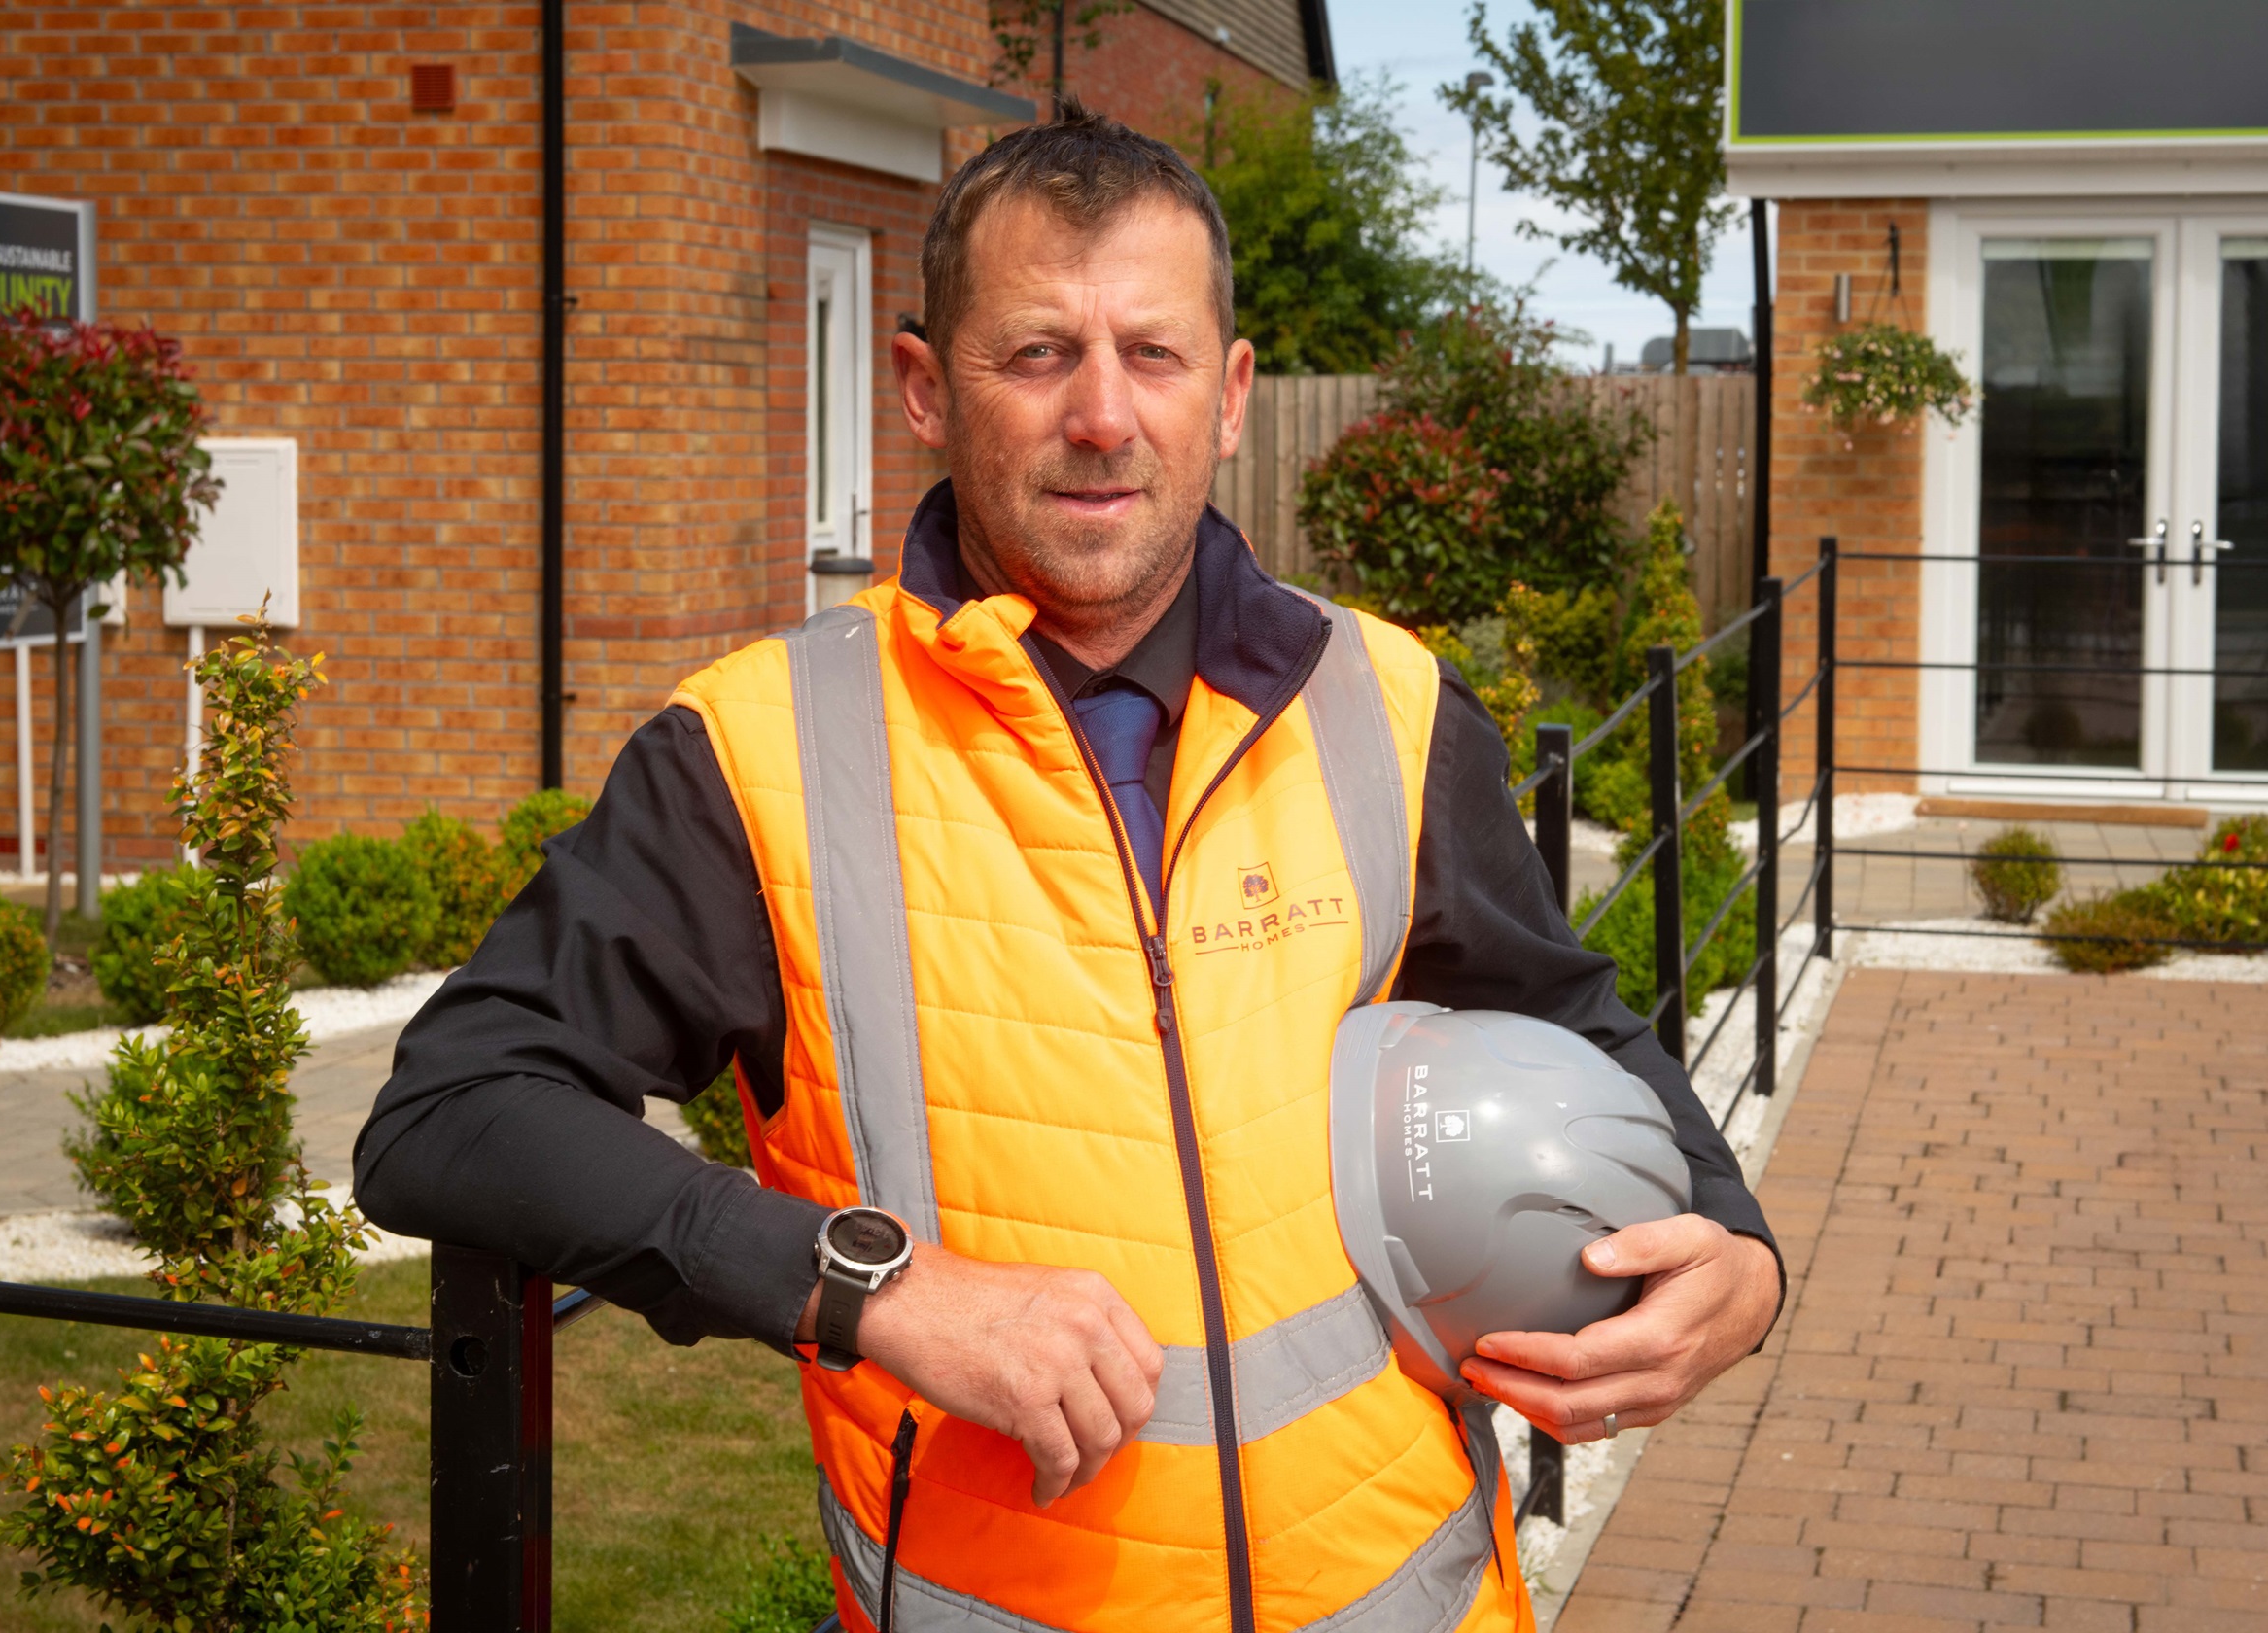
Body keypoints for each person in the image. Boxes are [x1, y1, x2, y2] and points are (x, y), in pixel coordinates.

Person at [355, 103, 1780, 1633]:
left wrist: (1740, 1249)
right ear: (924, 388)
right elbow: (454, 1108)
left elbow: (1563, 1014)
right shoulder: (763, 756)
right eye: (1038, 354)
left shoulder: (1387, 703)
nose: (1103, 415)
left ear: (1230, 395)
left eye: (1154, 354)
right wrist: (867, 1284)